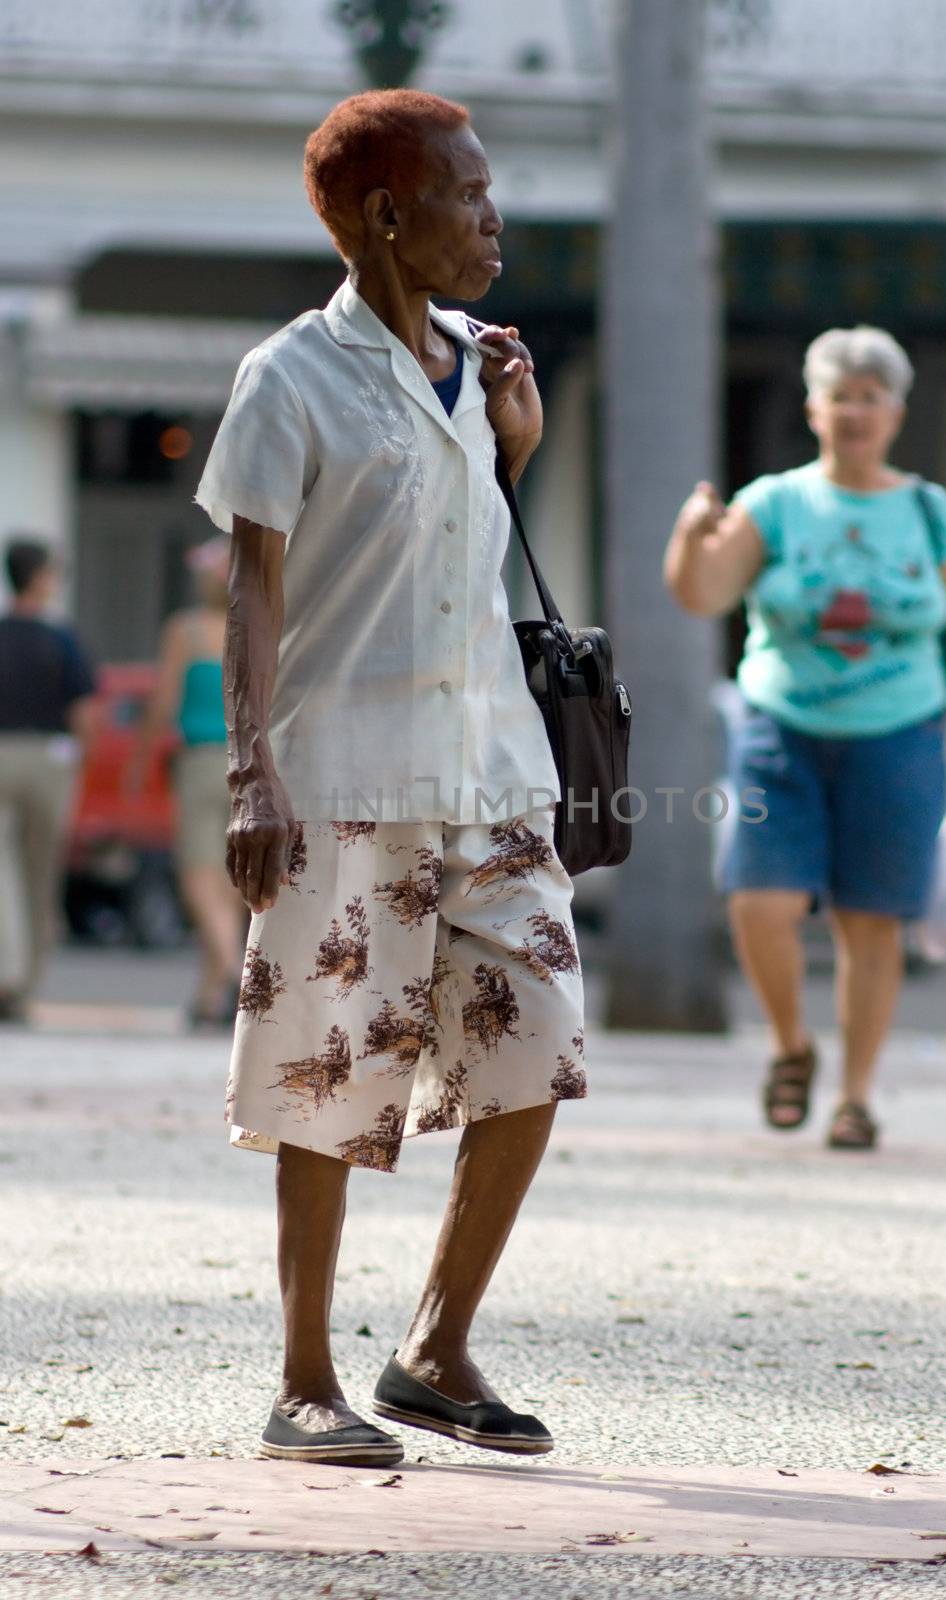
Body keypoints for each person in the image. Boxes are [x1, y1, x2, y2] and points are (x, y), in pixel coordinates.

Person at [193, 89, 584, 1467]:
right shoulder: (285, 377)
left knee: (533, 1044)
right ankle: (304, 1381)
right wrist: (251, 773)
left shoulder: (485, 361)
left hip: (489, 763)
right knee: (325, 1068)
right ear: (383, 214)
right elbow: (254, 585)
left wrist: (513, 447)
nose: (492, 217)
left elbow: (460, 543)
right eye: (467, 194)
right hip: (338, 771)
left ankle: (431, 1349)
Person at [664, 326, 946, 1151]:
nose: (854, 411)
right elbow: (702, 594)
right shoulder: (775, 502)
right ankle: (789, 1047)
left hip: (900, 734)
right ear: (813, 408)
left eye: (869, 397)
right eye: (839, 395)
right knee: (757, 901)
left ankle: (854, 1097)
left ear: (895, 411)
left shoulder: (927, 509)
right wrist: (689, 536)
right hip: (781, 726)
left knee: (869, 918)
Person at [128, 537, 246, 1027]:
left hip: (200, 761)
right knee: (233, 880)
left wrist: (138, 759)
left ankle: (235, 972)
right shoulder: (254, 629)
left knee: (199, 875)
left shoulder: (187, 630)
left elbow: (162, 702)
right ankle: (207, 998)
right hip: (251, 762)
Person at [0, 538, 97, 1020]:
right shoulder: (62, 638)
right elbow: (84, 711)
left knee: (3, 868)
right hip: (48, 758)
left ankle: (8, 970)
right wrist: (81, 762)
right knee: (40, 872)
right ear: (39, 577)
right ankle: (22, 983)